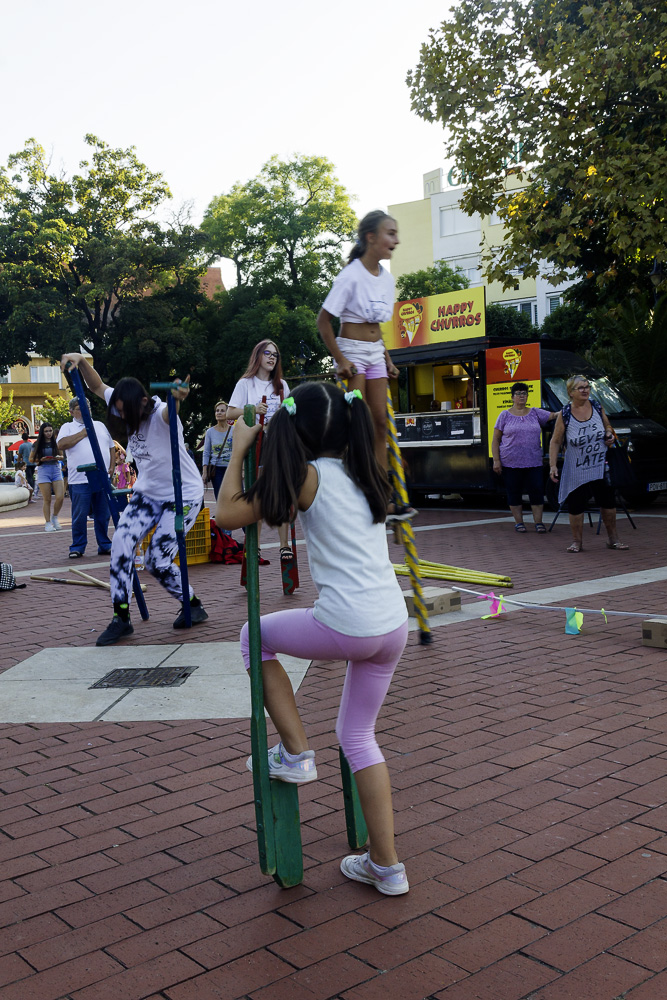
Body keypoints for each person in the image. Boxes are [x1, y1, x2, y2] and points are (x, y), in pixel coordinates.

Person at [216, 381, 410, 896]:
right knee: (358, 737)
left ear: (295, 432)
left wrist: (239, 450)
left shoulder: (307, 476)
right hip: (392, 624)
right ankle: (387, 867)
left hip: (348, 624)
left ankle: (297, 752)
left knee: (253, 637)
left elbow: (227, 514)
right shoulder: (367, 470)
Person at [60, 353, 208, 645]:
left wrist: (178, 397)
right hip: (148, 493)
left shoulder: (161, 413)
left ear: (142, 402)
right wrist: (81, 361)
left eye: (127, 412)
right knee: (121, 543)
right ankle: (121, 617)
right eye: (119, 413)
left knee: (156, 559)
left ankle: (192, 603)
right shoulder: (123, 402)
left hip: (183, 495)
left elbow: (171, 411)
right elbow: (96, 386)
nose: (124, 418)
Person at [317, 211, 413, 521]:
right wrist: (341, 360)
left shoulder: (387, 278)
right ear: (371, 237)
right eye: (390, 233)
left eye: (396, 233)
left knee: (380, 424)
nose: (396, 240)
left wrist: (387, 358)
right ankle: (353, 487)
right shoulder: (350, 276)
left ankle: (381, 495)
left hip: (374, 353)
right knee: (358, 423)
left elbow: (376, 327)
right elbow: (323, 322)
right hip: (352, 353)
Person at [226, 340, 291, 564]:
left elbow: (290, 411)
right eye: (268, 353)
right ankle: (255, 545)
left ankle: (284, 545)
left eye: (275, 355)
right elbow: (229, 413)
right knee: (257, 493)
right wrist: (252, 409)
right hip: (256, 441)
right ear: (258, 356)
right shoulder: (245, 383)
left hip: (277, 441)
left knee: (282, 492)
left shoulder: (281, 385)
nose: (272, 358)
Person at [549, 374, 628, 553]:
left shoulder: (597, 406)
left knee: (608, 502)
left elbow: (608, 426)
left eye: (587, 387)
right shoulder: (565, 413)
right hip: (577, 467)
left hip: (600, 464)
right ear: (571, 392)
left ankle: (613, 540)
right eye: (581, 388)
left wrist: (609, 434)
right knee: (576, 504)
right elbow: (555, 441)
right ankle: (577, 542)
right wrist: (553, 466)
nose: (585, 390)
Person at [492, 382, 558, 532]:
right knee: (514, 493)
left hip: (533, 462)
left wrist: (570, 409)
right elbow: (495, 439)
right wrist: (496, 460)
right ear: (512, 397)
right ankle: (519, 523)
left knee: (536, 492)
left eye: (524, 393)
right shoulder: (504, 415)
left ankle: (539, 523)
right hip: (510, 462)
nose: (521, 396)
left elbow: (554, 415)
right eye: (518, 393)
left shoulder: (535, 412)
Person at [57, 397, 115, 559]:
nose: (85, 410)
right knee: (80, 515)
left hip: (102, 478)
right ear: (71, 412)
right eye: (79, 408)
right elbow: (61, 444)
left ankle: (104, 544)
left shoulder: (100, 425)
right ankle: (78, 546)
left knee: (103, 514)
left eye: (87, 407)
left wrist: (111, 467)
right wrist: (83, 433)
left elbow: (111, 447)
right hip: (79, 479)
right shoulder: (67, 427)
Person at [30, 423, 64, 531]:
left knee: (60, 497)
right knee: (47, 499)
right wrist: (41, 459)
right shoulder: (37, 444)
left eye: (50, 431)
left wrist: (59, 457)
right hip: (43, 469)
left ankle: (55, 516)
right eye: (46, 431)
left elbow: (62, 456)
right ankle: (48, 522)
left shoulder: (56, 442)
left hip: (56, 469)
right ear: (42, 432)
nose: (49, 433)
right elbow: (31, 459)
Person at [201, 401, 234, 499]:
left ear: (228, 413)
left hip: (232, 468)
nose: (219, 413)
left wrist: (242, 469)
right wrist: (204, 472)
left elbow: (239, 450)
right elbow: (206, 452)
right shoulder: (210, 432)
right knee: (220, 497)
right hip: (217, 470)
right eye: (217, 411)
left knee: (234, 496)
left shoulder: (234, 430)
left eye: (222, 411)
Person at [17, 433, 36, 500]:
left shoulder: (22, 446)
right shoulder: (31, 444)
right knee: (31, 476)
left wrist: (18, 462)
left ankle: (30, 490)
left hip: (26, 463)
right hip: (33, 462)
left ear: (22, 438)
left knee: (29, 477)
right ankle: (32, 490)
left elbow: (19, 455)